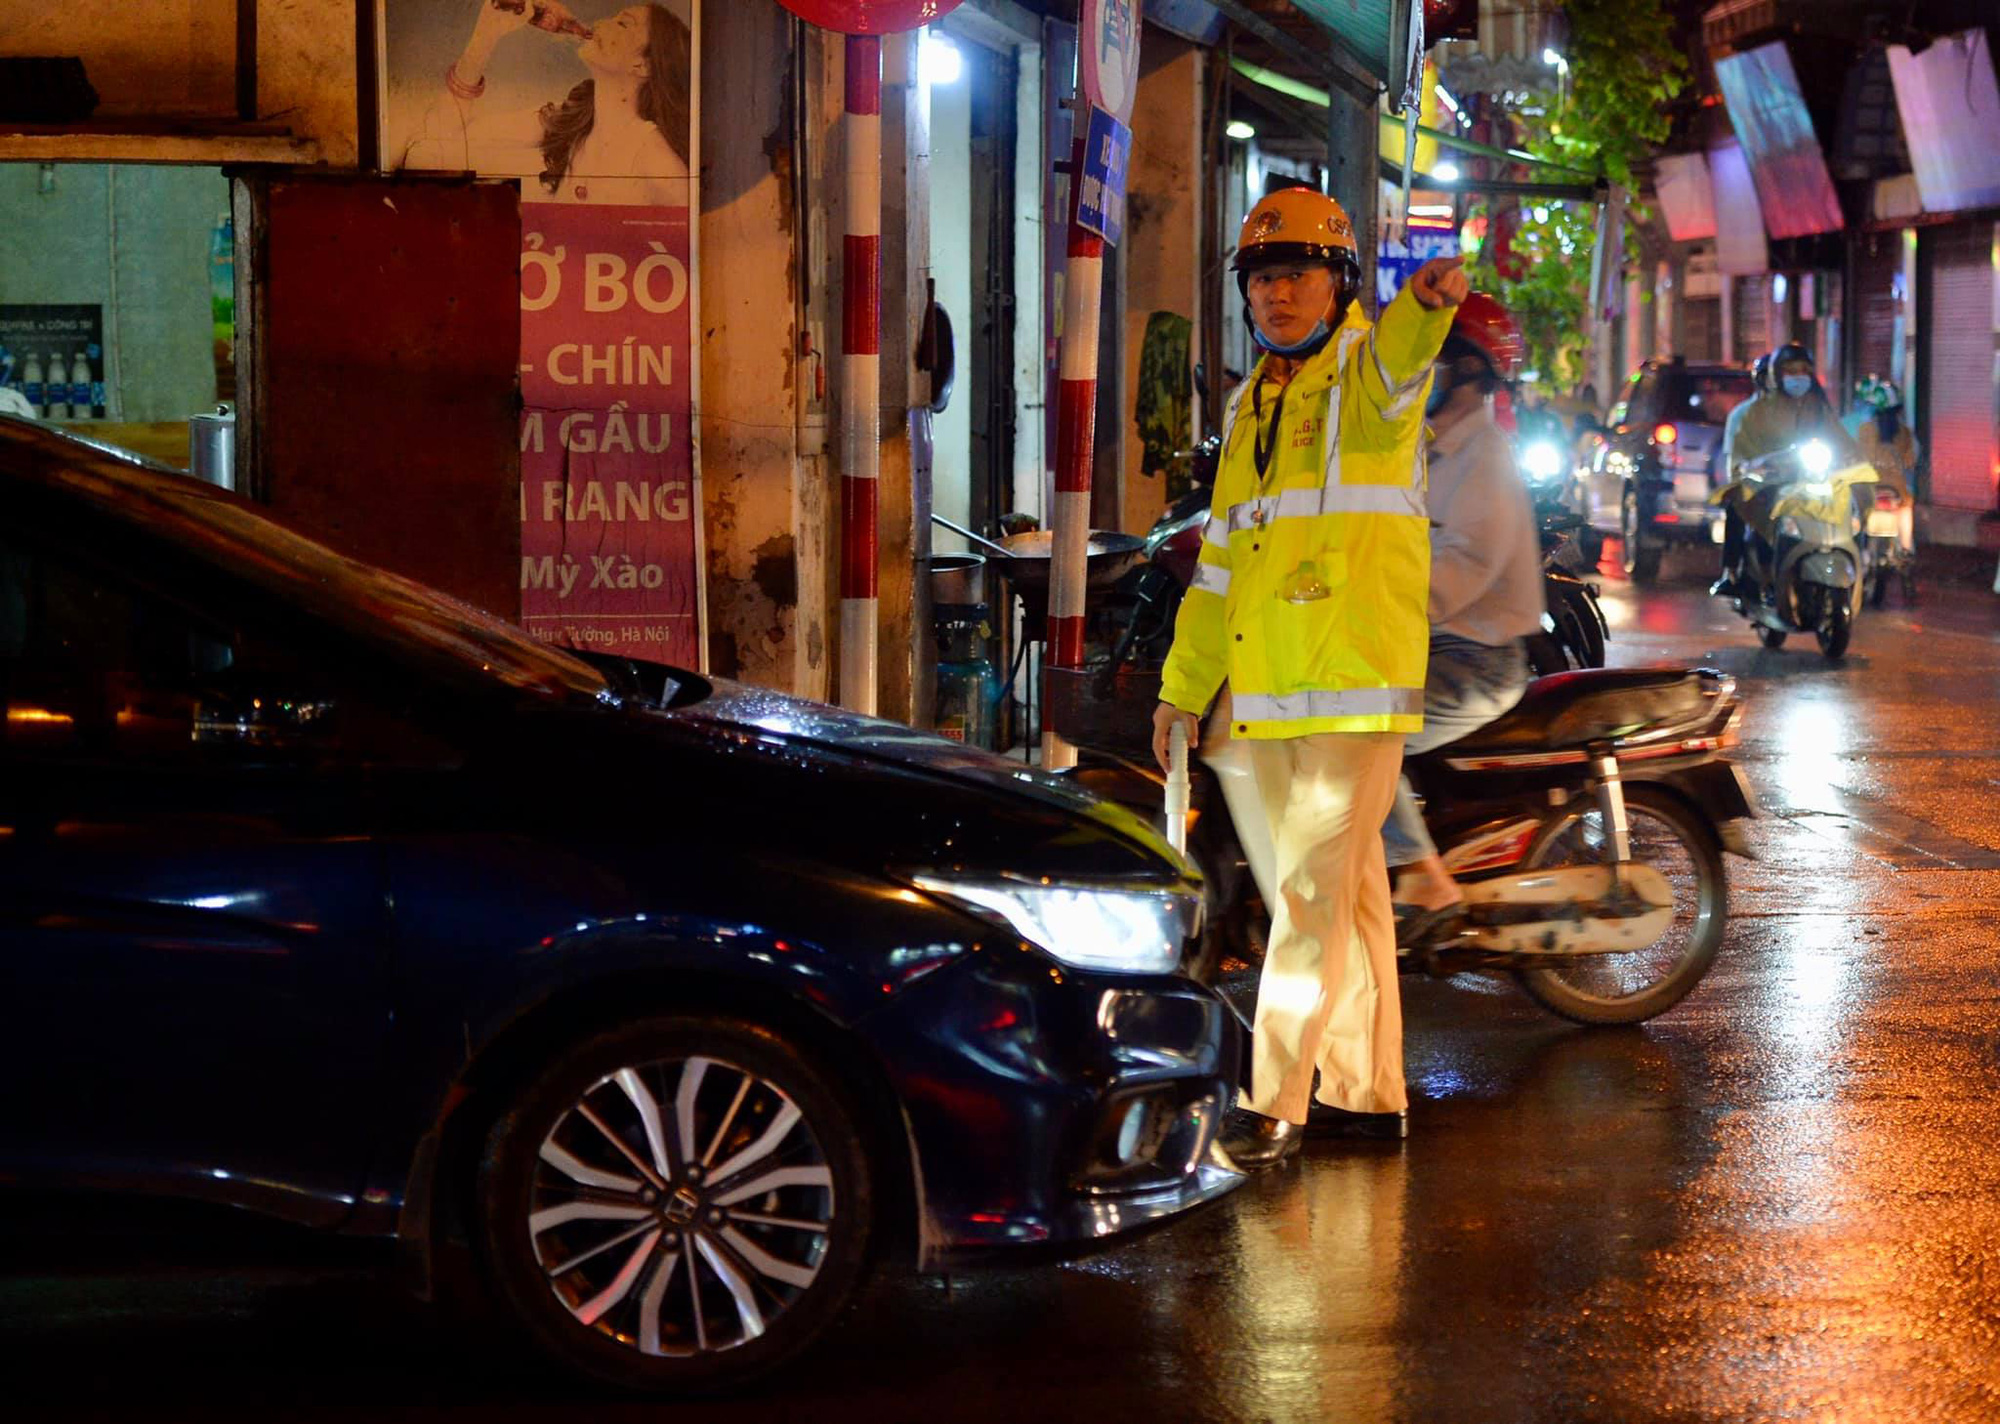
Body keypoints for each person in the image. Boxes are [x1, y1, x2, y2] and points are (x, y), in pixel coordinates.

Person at [1151, 187, 1466, 1168]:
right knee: (1352, 900)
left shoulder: (1363, 383)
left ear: (1339, 283)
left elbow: (1402, 354)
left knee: (1305, 901)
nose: (1277, 293)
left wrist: (1427, 300)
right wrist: (1179, 688)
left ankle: (1272, 1097)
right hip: (1270, 693)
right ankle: (1368, 1096)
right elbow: (1217, 570)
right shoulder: (1252, 404)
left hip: (1353, 692)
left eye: (1298, 272)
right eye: (1260, 277)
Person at [1382, 294, 1545, 928]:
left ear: (1469, 372)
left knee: (1366, 730)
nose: (1421, 372)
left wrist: (1381, 603)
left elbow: (1459, 569)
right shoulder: (1429, 448)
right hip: (1431, 647)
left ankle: (1421, 874)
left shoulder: (1485, 459)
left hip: (1478, 662)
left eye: (1435, 359)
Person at [403, 2, 691, 204]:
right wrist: (486, 35)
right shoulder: (567, 124)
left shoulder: (654, 160)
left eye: (622, 23)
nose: (602, 23)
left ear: (644, 66)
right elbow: (427, 151)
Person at [1711, 341, 1860, 598]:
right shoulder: (1748, 414)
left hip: (1811, 478)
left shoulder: (1817, 408)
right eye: (1791, 371)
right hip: (1768, 481)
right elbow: (1738, 457)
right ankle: (1737, 572)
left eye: (1803, 370)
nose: (1797, 378)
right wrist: (1752, 468)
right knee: (1749, 509)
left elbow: (1837, 438)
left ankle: (1859, 563)